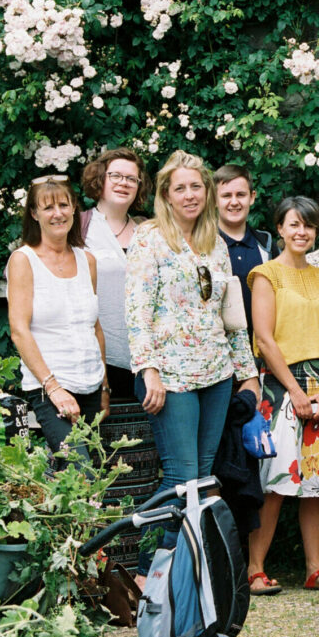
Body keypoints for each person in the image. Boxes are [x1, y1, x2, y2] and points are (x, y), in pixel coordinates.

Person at [126, 150, 259, 576]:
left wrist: (249, 374)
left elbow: (233, 318)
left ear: (207, 192)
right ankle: (150, 574)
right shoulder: (149, 239)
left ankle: (187, 572)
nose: (189, 195)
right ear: (166, 193)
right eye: (179, 187)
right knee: (180, 479)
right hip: (171, 377)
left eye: (196, 186)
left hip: (217, 375)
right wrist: (148, 370)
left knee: (202, 478)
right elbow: (137, 312)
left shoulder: (215, 244)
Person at [245, 197, 319, 595]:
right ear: (281, 229)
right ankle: (255, 568)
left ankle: (314, 568)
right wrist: (294, 390)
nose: (301, 232)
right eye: (293, 225)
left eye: (308, 225)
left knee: (316, 483)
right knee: (274, 482)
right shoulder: (265, 275)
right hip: (279, 383)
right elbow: (265, 340)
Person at [8, 176, 106, 459]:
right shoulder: (23, 260)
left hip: (91, 387)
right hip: (50, 389)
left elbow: (95, 327)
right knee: (80, 474)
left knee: (95, 478)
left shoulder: (87, 259)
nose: (58, 213)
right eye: (48, 207)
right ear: (34, 213)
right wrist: (53, 388)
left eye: (63, 204)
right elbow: (18, 330)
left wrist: (105, 387)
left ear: (74, 208)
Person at [80, 147, 150, 398]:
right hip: (94, 359)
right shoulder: (78, 228)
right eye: (116, 176)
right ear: (100, 179)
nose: (124, 183)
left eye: (131, 178)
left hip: (146, 361)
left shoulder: (148, 230)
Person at [215, 164, 279, 341]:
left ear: (252, 197)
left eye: (240, 195)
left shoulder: (266, 246)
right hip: (218, 352)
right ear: (214, 199)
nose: (234, 202)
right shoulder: (204, 246)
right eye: (226, 195)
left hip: (262, 349)